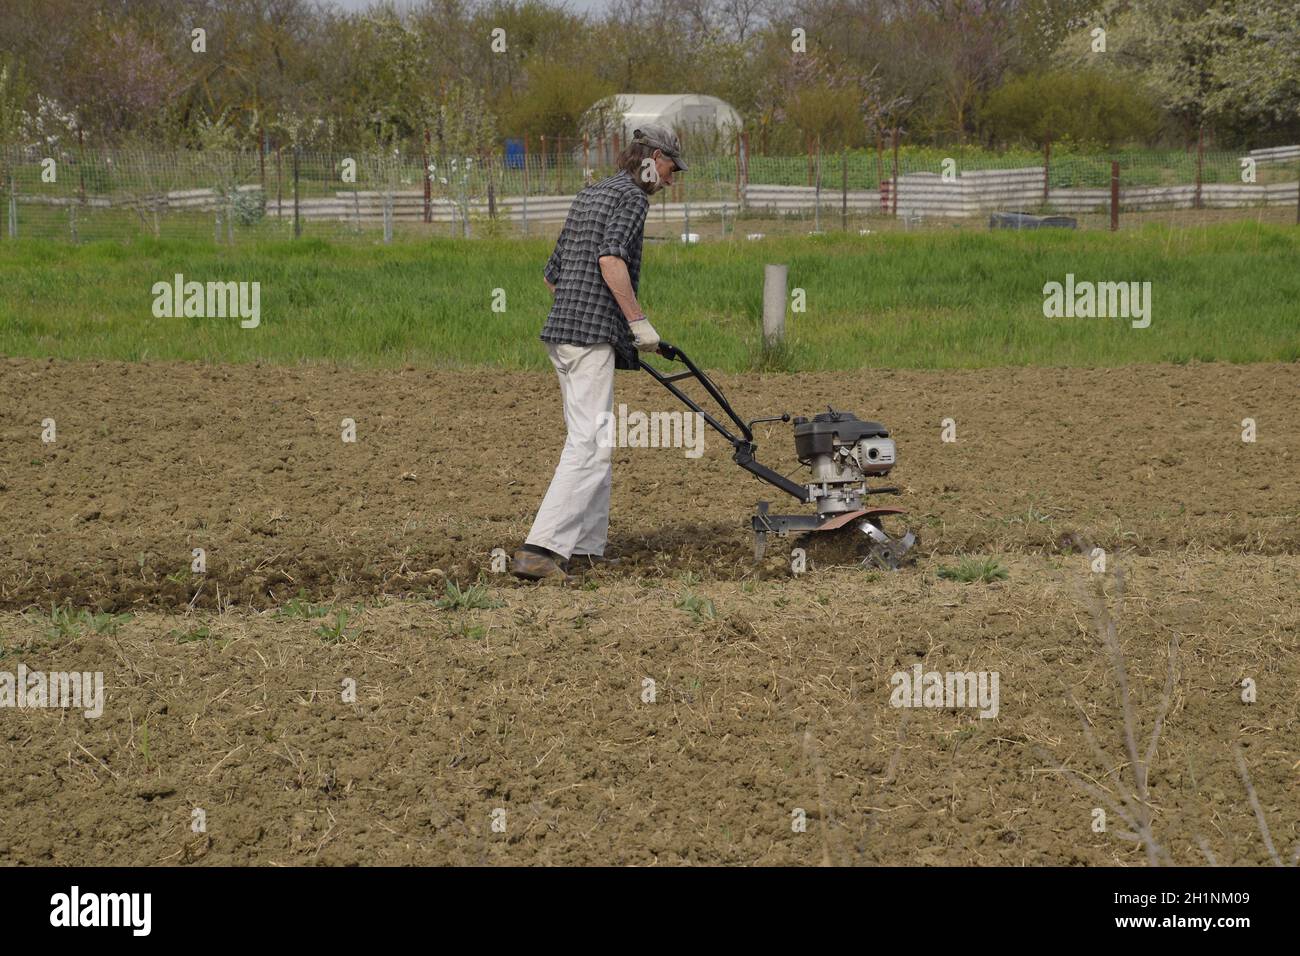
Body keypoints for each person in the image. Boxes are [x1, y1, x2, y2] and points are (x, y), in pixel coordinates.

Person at [512, 125, 688, 580]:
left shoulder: (591, 194)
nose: (671, 179)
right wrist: (637, 322)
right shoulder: (632, 198)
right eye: (671, 167)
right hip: (589, 339)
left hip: (563, 334)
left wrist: (583, 311)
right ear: (652, 157)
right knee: (590, 445)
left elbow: (553, 274)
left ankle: (587, 546)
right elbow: (610, 260)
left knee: (593, 439)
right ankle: (538, 550)